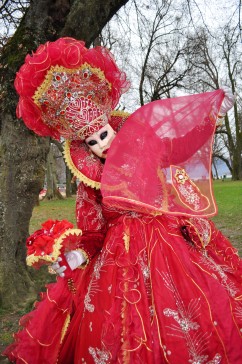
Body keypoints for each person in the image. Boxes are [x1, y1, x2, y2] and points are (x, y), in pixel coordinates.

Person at [3, 37, 241, 364]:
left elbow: (180, 148)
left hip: (166, 243)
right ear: (86, 146)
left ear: (112, 127)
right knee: (118, 325)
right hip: (117, 260)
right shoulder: (89, 182)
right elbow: (92, 230)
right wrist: (76, 257)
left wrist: (210, 113)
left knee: (187, 308)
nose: (102, 144)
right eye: (93, 141)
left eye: (104, 134)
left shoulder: (145, 147)